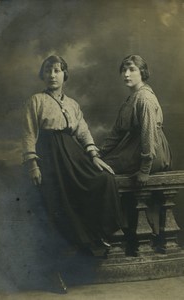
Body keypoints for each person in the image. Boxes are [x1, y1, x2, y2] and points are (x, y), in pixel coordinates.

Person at [22, 55, 123, 258]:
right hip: (50, 157)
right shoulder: (36, 100)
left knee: (104, 179)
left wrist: (94, 156)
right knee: (56, 198)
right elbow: (29, 133)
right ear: (42, 75)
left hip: (72, 153)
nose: (52, 75)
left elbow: (82, 131)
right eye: (48, 71)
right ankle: (72, 248)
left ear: (64, 75)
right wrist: (33, 164)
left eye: (57, 70)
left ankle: (98, 234)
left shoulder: (72, 104)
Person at [101, 54, 172, 255]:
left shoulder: (144, 98)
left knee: (105, 173)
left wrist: (144, 169)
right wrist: (97, 153)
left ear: (142, 72)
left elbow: (148, 134)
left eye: (131, 69)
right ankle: (114, 231)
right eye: (123, 70)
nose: (126, 74)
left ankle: (112, 231)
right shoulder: (131, 98)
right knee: (100, 165)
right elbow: (116, 133)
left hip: (152, 150)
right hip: (135, 146)